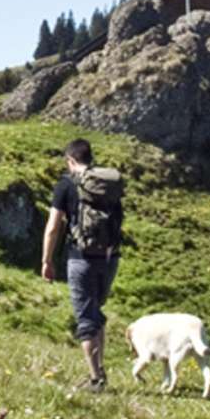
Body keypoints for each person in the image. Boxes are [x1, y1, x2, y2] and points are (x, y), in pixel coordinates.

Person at [41, 137, 124, 389]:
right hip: (110, 257)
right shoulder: (106, 184)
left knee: (86, 319)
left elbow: (54, 227)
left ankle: (96, 379)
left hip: (81, 258)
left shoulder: (66, 185)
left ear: (71, 160)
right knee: (95, 313)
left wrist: (47, 260)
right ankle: (100, 371)